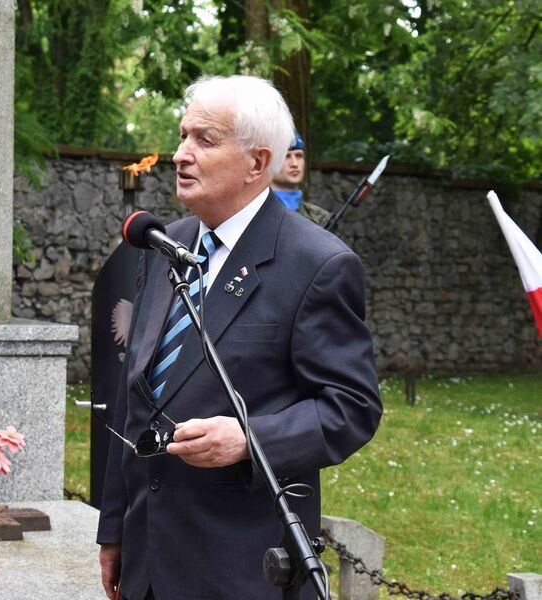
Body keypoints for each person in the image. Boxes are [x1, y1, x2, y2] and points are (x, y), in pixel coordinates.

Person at [96, 75, 381, 600]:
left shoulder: (318, 264)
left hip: (241, 566)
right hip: (147, 559)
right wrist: (113, 527)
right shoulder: (165, 245)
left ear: (256, 162)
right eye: (183, 136)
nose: (180, 155)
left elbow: (353, 407)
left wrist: (250, 441)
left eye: (204, 140)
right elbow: (134, 395)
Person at [270, 131, 332, 226]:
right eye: (286, 156)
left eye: (299, 156)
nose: (294, 164)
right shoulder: (253, 213)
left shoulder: (320, 217)